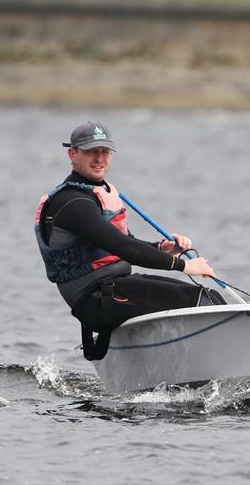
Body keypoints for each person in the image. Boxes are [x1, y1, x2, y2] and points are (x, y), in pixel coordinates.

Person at [35, 122, 222, 360]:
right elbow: (125, 248)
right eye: (91, 151)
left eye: (104, 152)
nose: (99, 158)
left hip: (113, 289)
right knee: (201, 301)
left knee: (209, 297)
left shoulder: (92, 196)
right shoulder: (72, 204)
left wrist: (163, 248)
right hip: (97, 299)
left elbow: (124, 243)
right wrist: (185, 266)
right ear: (72, 154)